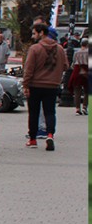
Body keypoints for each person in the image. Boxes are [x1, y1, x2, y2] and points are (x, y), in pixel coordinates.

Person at [23, 22, 68, 150]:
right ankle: (50, 135)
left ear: (41, 33)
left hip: (35, 85)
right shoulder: (59, 48)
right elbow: (66, 65)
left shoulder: (35, 49)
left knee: (34, 112)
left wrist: (26, 84)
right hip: (52, 86)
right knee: (50, 112)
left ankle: (32, 140)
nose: (33, 36)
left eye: (34, 33)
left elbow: (29, 69)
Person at [68, 39, 88, 115]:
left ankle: (77, 109)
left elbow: (73, 64)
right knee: (87, 91)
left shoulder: (76, 53)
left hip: (77, 72)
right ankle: (84, 107)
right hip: (87, 73)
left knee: (77, 91)